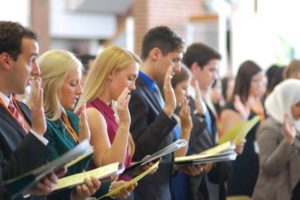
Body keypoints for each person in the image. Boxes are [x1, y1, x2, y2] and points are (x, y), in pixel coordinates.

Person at [0, 21, 63, 200]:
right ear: (6, 61)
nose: (36, 70)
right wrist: (36, 133)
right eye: (30, 60)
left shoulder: (25, 109)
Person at [128, 25, 185, 200]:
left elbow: (165, 145)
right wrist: (168, 110)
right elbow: (138, 151)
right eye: (175, 60)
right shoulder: (135, 91)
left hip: (162, 189)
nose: (179, 68)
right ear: (155, 54)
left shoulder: (155, 88)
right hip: (145, 192)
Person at [75, 46, 139, 198]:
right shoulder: (93, 113)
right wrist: (124, 124)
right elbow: (110, 170)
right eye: (130, 78)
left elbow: (119, 163)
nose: (134, 86)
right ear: (111, 73)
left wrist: (139, 167)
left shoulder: (110, 110)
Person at [37, 50, 101, 200]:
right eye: (73, 84)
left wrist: (111, 187)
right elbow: (60, 182)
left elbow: (83, 178)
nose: (81, 90)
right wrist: (84, 144)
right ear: (52, 85)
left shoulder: (71, 117)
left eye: (80, 83)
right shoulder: (41, 125)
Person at [183, 43, 236, 200]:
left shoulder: (204, 100)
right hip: (195, 183)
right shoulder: (185, 101)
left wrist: (228, 148)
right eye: (212, 70)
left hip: (210, 181)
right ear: (195, 68)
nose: (215, 76)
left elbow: (210, 140)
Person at [221, 60, 266, 197]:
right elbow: (230, 141)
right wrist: (244, 117)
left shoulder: (260, 102)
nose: (260, 85)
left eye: (261, 80)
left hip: (257, 160)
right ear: (245, 81)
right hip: (241, 162)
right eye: (255, 81)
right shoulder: (233, 106)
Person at [252, 79, 300, 200]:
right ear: (284, 103)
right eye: (298, 105)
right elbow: (269, 167)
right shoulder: (268, 127)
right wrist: (288, 141)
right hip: (275, 194)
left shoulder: (296, 124)